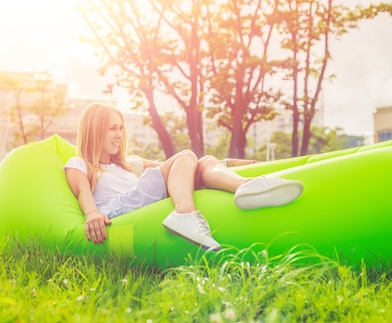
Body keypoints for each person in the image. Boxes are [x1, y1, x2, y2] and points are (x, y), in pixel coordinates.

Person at [64, 102, 303, 252]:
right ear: (95, 130)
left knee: (204, 161)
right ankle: (185, 213)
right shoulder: (80, 164)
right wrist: (92, 214)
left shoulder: (129, 164)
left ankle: (246, 185)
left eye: (120, 128)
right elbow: (83, 191)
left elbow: (185, 167)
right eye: (111, 128)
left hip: (140, 202)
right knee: (186, 155)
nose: (118, 135)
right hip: (118, 211)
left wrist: (231, 163)